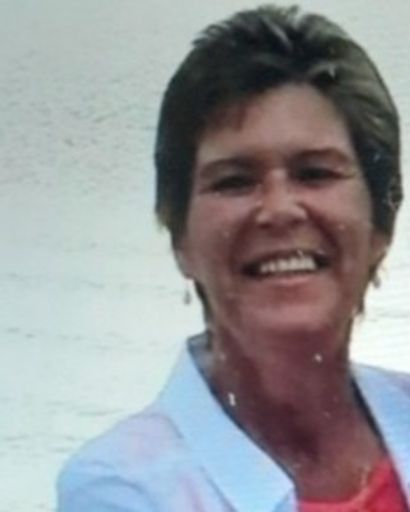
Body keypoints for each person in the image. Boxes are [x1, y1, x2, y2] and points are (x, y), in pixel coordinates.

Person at [57, 5, 410, 511]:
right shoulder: (123, 488)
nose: (279, 209)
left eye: (315, 173)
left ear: (380, 224)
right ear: (180, 238)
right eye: (235, 181)